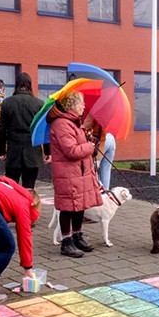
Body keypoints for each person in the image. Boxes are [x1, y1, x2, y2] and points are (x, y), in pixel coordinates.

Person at [47, 90, 102, 257]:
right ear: (71, 106)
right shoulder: (61, 124)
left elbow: (78, 145)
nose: (84, 106)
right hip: (68, 173)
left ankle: (78, 236)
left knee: (80, 205)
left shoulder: (73, 123)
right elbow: (71, 151)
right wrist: (89, 147)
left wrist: (86, 138)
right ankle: (66, 242)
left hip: (79, 172)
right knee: (68, 207)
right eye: (81, 103)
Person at [0, 72, 49, 189]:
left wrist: (1, 150)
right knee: (29, 187)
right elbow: (44, 129)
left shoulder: (7, 103)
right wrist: (47, 151)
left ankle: (12, 207)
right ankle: (27, 207)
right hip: (32, 150)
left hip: (13, 150)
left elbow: (2, 129)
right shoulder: (39, 104)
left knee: (11, 187)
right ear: (30, 85)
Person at [82, 114, 116, 189]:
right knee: (106, 169)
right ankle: (106, 192)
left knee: (93, 170)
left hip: (99, 142)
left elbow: (86, 127)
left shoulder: (94, 112)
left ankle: (100, 190)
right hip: (110, 138)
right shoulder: (109, 111)